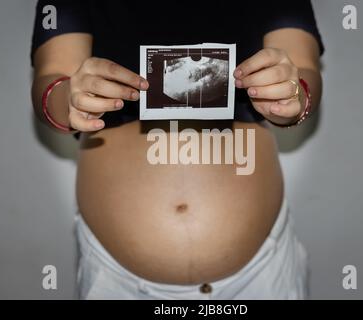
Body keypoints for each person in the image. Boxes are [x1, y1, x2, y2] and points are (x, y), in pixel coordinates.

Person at [31, 0, 324, 299]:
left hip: (262, 276)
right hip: (116, 281)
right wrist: (65, 96)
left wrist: (295, 93)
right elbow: (52, 73)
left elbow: (303, 66)